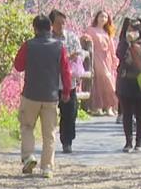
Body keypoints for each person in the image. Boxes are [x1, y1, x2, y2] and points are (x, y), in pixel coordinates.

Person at [12, 14, 71, 178]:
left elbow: (18, 66)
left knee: (27, 127)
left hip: (30, 94)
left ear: (35, 28)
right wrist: (66, 91)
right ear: (50, 27)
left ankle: (29, 157)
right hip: (51, 96)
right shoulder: (59, 46)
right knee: (49, 133)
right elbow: (66, 72)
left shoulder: (28, 45)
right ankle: (47, 168)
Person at [49, 10, 85, 154]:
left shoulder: (71, 37)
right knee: (50, 114)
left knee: (70, 113)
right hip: (51, 82)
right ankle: (49, 140)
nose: (62, 25)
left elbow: (79, 53)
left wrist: (70, 57)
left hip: (68, 82)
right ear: (52, 24)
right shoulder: (48, 39)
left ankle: (67, 141)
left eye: (63, 22)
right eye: (58, 23)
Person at [116, 18, 141, 152]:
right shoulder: (123, 44)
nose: (131, 33)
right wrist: (128, 45)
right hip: (125, 82)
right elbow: (119, 55)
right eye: (129, 30)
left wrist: (137, 49)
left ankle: (139, 141)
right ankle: (128, 141)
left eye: (134, 30)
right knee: (127, 113)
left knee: (140, 113)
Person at [85, 10, 118, 117]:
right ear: (97, 17)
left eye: (105, 17)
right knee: (100, 81)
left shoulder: (107, 32)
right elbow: (86, 39)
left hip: (106, 58)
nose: (103, 19)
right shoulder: (91, 30)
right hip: (96, 57)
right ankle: (98, 107)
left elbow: (111, 47)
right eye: (101, 16)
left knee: (109, 81)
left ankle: (109, 107)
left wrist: (114, 60)